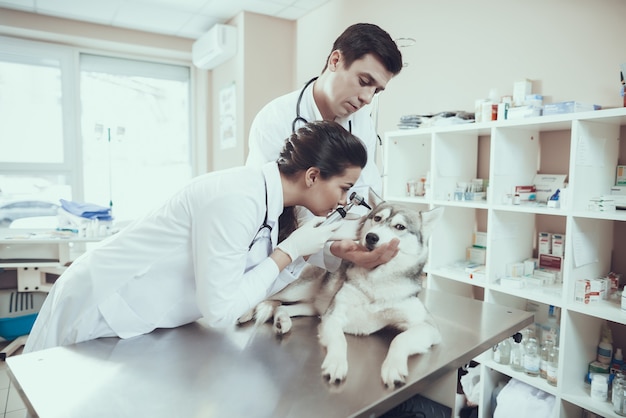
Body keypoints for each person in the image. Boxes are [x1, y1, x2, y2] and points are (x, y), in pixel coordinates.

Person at [24, 121, 367, 353]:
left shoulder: (268, 205)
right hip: (99, 301)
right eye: (344, 188)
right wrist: (288, 253)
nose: (343, 201)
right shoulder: (237, 199)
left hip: (141, 314)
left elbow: (244, 288)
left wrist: (300, 254)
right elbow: (220, 312)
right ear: (312, 175)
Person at [246, 22, 403, 273]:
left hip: (331, 250)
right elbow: (276, 206)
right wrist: (331, 245)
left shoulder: (361, 121)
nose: (367, 98)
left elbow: (365, 193)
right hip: (275, 253)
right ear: (335, 60)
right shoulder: (275, 119)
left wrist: (358, 241)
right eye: (364, 81)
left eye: (376, 91)